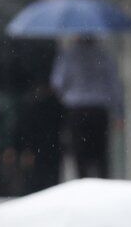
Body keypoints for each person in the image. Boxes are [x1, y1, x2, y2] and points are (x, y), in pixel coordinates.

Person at [51, 37, 123, 178]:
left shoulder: (68, 56)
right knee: (100, 155)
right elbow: (114, 86)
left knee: (80, 155)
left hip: (77, 110)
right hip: (98, 110)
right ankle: (103, 187)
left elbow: (57, 83)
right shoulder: (103, 56)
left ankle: (82, 186)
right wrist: (119, 112)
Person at [15, 80, 65, 193]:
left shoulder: (54, 108)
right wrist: (27, 150)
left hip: (51, 151)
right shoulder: (29, 107)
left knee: (49, 184)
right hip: (38, 152)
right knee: (35, 183)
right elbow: (24, 131)